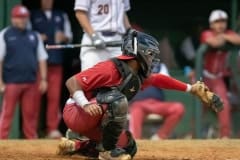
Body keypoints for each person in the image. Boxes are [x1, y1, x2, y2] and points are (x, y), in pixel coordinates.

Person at [56, 30, 222, 160]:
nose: (152, 59)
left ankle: (76, 146)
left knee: (129, 147)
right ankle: (106, 152)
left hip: (96, 114)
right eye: (150, 54)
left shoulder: (134, 73)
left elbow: (159, 80)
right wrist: (85, 104)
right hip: (77, 111)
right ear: (138, 53)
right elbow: (72, 82)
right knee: (117, 101)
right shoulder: (109, 68)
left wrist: (191, 88)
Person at [0, 5, 48, 139]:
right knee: (7, 113)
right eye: (19, 17)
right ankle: (1, 140)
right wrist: (0, 81)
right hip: (11, 82)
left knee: (30, 114)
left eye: (24, 17)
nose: (21, 20)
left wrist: (43, 79)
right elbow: (0, 59)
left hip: (31, 81)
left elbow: (42, 58)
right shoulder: (5, 34)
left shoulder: (34, 35)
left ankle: (31, 142)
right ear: (12, 19)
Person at [30, 0, 73, 138]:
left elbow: (69, 37)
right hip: (36, 62)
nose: (47, 1)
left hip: (56, 61)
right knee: (34, 97)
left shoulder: (61, 15)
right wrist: (36, 37)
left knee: (54, 97)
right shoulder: (32, 15)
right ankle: (32, 130)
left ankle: (52, 129)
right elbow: (26, 35)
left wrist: (64, 37)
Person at [200, 9, 240, 138]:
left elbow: (238, 39)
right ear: (211, 24)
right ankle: (193, 134)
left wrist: (224, 36)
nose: (221, 24)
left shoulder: (228, 33)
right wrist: (224, 38)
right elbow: (213, 42)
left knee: (223, 104)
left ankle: (225, 136)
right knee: (201, 107)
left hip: (218, 78)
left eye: (223, 21)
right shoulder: (206, 33)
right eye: (217, 22)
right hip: (203, 76)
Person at [129, 62, 185, 140]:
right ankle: (134, 142)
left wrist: (152, 76)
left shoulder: (159, 66)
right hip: (138, 104)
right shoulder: (131, 64)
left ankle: (159, 137)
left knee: (178, 108)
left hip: (157, 104)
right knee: (135, 108)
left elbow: (167, 81)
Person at [74, 0, 131, 71]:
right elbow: (80, 13)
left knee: (121, 78)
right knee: (91, 78)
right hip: (94, 39)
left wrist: (130, 31)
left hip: (117, 40)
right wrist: (94, 36)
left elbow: (123, 12)